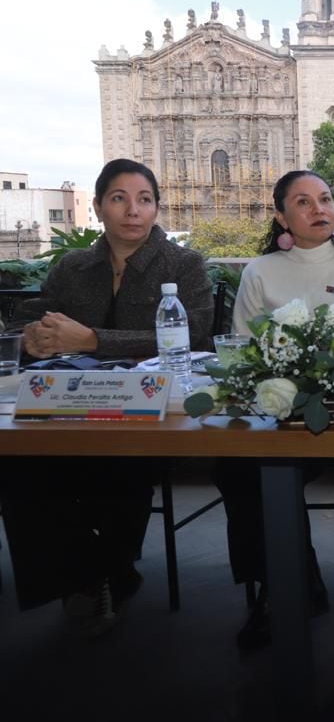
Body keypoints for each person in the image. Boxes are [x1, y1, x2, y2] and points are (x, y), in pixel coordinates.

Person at [1, 158, 212, 635]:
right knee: (19, 461)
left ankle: (102, 574)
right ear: (98, 207)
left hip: (151, 409)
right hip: (65, 405)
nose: (132, 211)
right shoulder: (72, 267)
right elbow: (29, 319)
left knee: (120, 461)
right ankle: (95, 572)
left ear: (157, 208)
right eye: (118, 199)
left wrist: (91, 341)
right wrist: (34, 334)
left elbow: (197, 335)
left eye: (143, 200)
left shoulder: (184, 264)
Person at [213, 169, 334, 651]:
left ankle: (290, 585)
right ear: (281, 216)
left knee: (271, 467)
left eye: (326, 199)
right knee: (240, 467)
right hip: (279, 410)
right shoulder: (261, 272)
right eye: (304, 202)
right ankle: (285, 583)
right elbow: (245, 354)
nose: (319, 209)